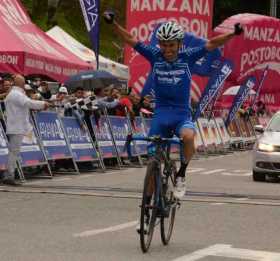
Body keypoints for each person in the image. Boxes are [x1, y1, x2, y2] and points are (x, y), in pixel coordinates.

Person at [104, 11, 244, 199]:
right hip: (161, 115)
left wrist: (233, 34)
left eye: (171, 45)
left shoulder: (188, 56)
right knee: (153, 160)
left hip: (181, 115)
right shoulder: (155, 55)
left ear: (179, 44)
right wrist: (112, 23)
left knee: (188, 136)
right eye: (163, 45)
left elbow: (212, 43)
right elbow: (131, 39)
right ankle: (147, 212)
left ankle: (181, 175)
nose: (167, 49)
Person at [3, 74, 50, 185]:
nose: (25, 84)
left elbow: (27, 103)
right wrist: (43, 104)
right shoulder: (16, 94)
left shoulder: (15, 93)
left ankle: (9, 174)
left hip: (16, 126)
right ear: (20, 83)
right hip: (16, 126)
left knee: (14, 151)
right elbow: (29, 103)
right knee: (14, 152)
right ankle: (9, 176)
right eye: (23, 82)